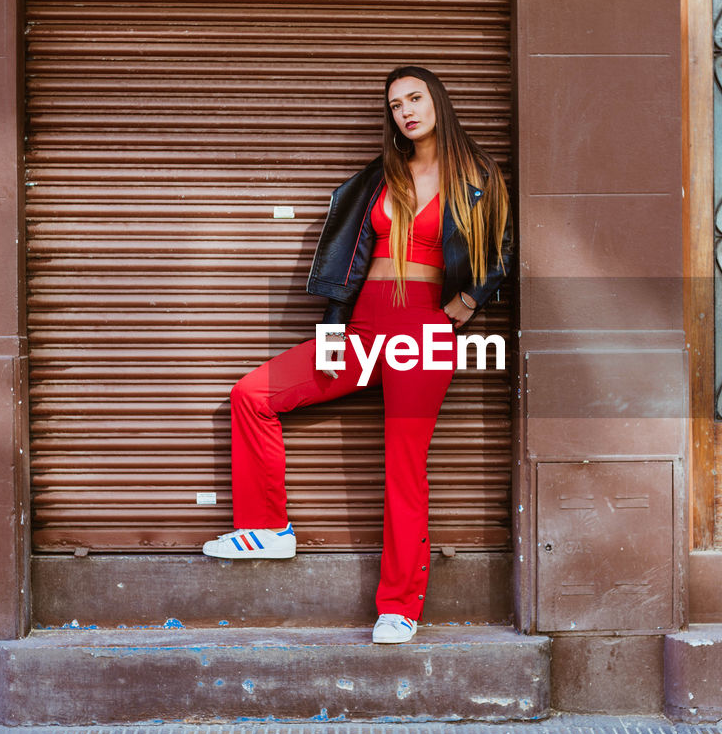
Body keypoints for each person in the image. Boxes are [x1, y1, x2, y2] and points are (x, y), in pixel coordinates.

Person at [202, 66, 512, 644]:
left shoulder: (479, 176)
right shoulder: (378, 177)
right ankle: (266, 527)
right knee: (253, 395)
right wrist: (333, 331)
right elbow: (348, 263)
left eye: (415, 98)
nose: (406, 111)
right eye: (396, 105)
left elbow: (500, 252)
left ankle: (399, 606)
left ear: (437, 101)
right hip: (361, 329)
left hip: (423, 333)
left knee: (404, 467)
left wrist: (466, 303)